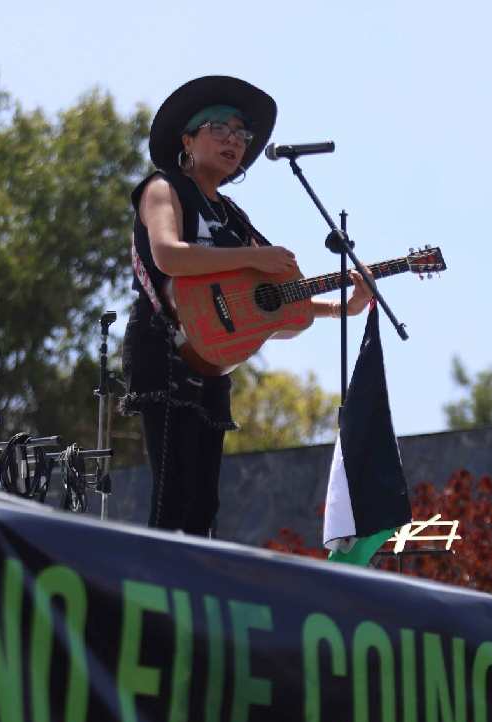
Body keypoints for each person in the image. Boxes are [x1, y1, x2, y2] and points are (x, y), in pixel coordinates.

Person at [121, 76, 371, 536]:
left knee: (204, 504)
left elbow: (273, 305)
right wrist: (254, 255)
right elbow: (168, 255)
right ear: (188, 139)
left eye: (242, 135)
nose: (234, 141)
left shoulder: (234, 217)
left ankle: (192, 595)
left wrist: (343, 308)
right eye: (220, 129)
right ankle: (154, 596)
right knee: (171, 492)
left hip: (214, 361)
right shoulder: (164, 188)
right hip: (164, 346)